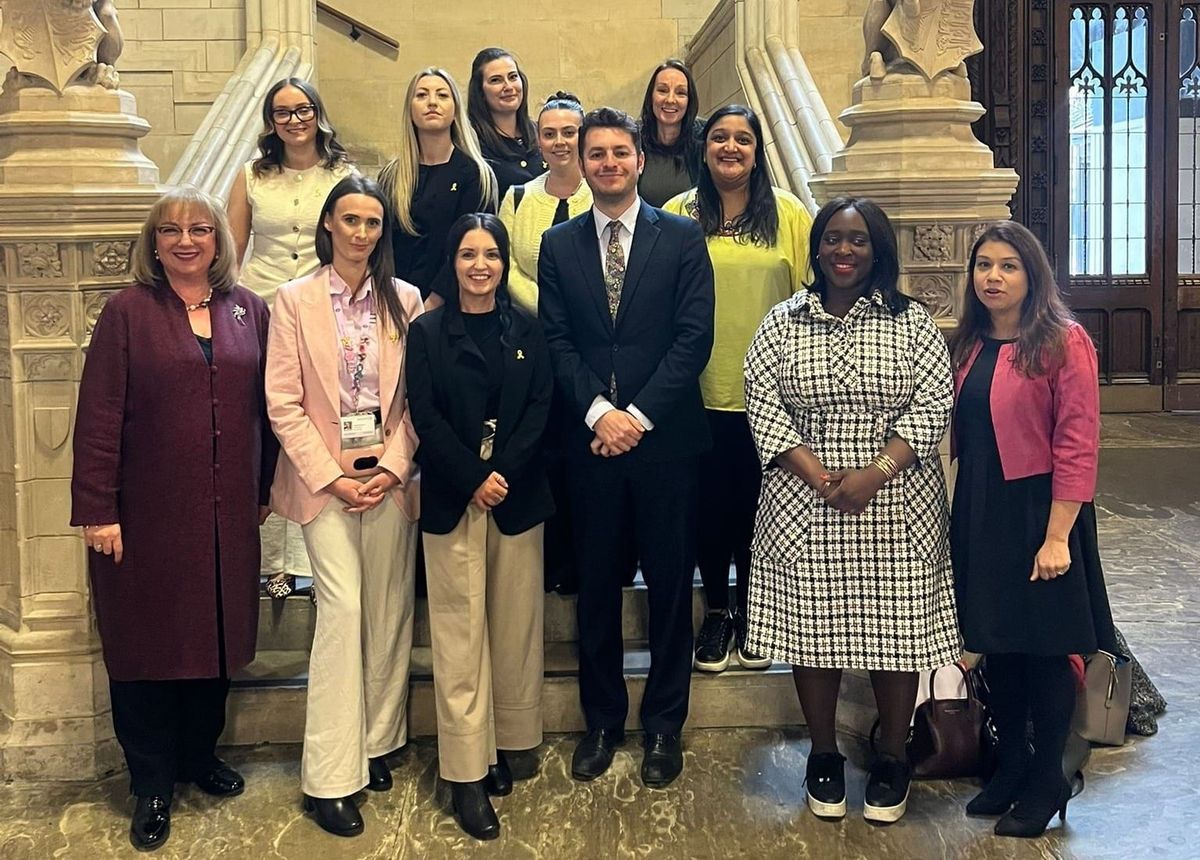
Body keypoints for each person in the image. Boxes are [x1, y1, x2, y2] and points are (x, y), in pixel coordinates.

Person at [70, 188, 276, 852]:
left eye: (199, 229)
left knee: (215, 643)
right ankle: (152, 783)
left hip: (226, 518)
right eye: (170, 231)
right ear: (152, 243)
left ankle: (197, 757)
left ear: (219, 240)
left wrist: (266, 485)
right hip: (146, 516)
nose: (186, 240)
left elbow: (267, 411)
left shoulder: (249, 311)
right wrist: (98, 509)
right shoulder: (128, 312)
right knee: (149, 652)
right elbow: (99, 416)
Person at [743, 197, 958, 825]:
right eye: (833, 239)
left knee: (897, 638)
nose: (844, 251)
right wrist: (818, 474)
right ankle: (824, 754)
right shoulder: (782, 322)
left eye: (858, 240)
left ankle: (892, 756)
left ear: (878, 250)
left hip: (896, 501)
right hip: (803, 502)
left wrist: (875, 473)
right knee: (814, 638)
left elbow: (931, 403)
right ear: (815, 249)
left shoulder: (912, 323)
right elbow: (763, 403)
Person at [539, 107, 715, 789]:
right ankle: (604, 720)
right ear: (580, 165)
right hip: (589, 445)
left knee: (671, 587)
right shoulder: (560, 245)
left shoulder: (681, 237)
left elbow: (693, 337)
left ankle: (664, 726)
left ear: (640, 159)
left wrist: (635, 415)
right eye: (596, 154)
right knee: (596, 588)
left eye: (619, 152)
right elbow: (557, 340)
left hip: (665, 441)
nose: (608, 163)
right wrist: (598, 413)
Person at [949, 221, 1120, 838]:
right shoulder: (970, 341)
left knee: (1046, 650)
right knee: (999, 642)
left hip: (1041, 510)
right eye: (984, 265)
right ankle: (1013, 764)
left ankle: (1050, 774)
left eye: (1008, 266)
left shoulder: (1063, 340)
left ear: (1032, 274)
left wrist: (1056, 537)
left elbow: (1078, 442)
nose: (993, 277)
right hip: (982, 504)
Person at [266, 175, 423, 838]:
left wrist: (390, 468)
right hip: (323, 484)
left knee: (388, 609)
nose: (361, 232)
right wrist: (333, 478)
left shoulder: (405, 300)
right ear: (328, 224)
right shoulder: (293, 301)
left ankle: (378, 739)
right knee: (345, 610)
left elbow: (419, 398)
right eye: (350, 220)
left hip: (388, 479)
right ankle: (331, 774)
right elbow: (283, 402)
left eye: (372, 222)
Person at [406, 214, 553, 840]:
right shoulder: (427, 332)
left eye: (491, 254)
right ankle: (466, 771)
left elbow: (540, 407)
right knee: (460, 634)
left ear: (503, 262)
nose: (480, 266)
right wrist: (472, 477)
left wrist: (501, 474)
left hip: (514, 497)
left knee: (514, 625)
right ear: (452, 261)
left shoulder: (528, 327)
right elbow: (424, 413)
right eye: (468, 254)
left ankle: (510, 739)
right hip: (452, 496)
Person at [664, 104, 812, 674]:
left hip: (771, 394)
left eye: (743, 139)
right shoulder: (679, 213)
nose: (731, 147)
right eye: (720, 138)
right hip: (695, 387)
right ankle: (718, 611)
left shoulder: (790, 215)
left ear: (757, 151)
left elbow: (810, 298)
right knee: (707, 510)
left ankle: (755, 608)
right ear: (704, 148)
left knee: (759, 509)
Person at [227, 76, 356, 600]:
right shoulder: (251, 176)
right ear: (271, 122)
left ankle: (313, 552)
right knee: (272, 428)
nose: (294, 120)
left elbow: (356, 238)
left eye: (303, 109)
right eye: (282, 113)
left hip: (324, 310)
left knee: (317, 422)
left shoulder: (344, 174)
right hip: (262, 307)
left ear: (318, 113)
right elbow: (233, 248)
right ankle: (275, 562)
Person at [498, 90, 592, 593]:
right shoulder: (518, 197)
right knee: (544, 451)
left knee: (584, 454)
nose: (559, 142)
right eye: (550, 133)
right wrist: (548, 305)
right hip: (533, 346)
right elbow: (504, 265)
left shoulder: (597, 195)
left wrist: (569, 310)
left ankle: (586, 562)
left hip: (588, 346)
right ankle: (548, 562)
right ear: (538, 139)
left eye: (569, 132)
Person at [379, 67, 498, 306]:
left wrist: (431, 306)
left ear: (455, 109)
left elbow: (472, 248)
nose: (432, 102)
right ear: (410, 110)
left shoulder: (475, 174)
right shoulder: (391, 176)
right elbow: (383, 248)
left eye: (442, 95)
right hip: (394, 302)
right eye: (422, 95)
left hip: (452, 305)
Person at [468, 47, 547, 202]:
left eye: (513, 77)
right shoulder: (473, 144)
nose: (508, 87)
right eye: (496, 80)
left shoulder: (543, 133)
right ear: (480, 92)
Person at [637, 59, 702, 207]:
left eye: (680, 93)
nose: (671, 99)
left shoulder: (705, 138)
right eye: (662, 90)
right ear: (651, 96)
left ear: (689, 101)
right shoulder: (634, 138)